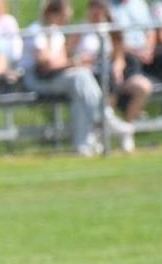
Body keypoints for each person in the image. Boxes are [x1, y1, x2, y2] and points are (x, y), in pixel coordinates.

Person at [22, 0, 116, 155]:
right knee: (80, 78)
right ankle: (105, 117)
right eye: (63, 17)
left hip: (55, 77)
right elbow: (47, 64)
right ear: (53, 14)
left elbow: (60, 62)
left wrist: (74, 62)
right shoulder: (37, 30)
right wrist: (73, 62)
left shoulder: (56, 33)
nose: (66, 21)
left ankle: (83, 143)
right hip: (36, 79)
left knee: (81, 84)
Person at [75, 0, 148, 149]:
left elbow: (119, 53)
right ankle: (111, 131)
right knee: (100, 87)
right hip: (89, 74)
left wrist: (118, 66)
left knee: (136, 86)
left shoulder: (111, 29)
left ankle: (123, 130)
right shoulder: (80, 29)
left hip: (111, 73)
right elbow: (70, 52)